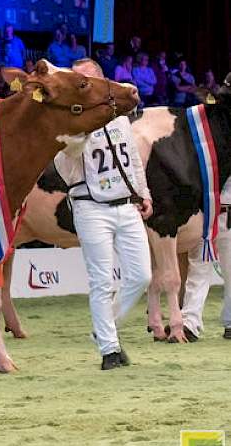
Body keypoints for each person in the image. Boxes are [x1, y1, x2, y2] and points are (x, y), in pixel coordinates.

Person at [54, 112, 152, 370]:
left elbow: (133, 160)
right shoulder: (72, 124)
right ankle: (109, 349)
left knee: (142, 276)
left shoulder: (120, 121)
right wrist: (79, 133)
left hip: (126, 203)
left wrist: (144, 193)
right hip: (90, 205)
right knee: (101, 280)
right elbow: (63, 164)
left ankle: (104, 328)